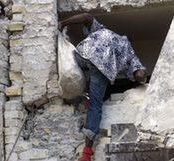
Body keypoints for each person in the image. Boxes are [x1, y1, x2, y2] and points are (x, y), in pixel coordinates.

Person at [58, 13, 147, 161]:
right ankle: (87, 153)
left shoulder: (104, 30)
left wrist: (62, 23)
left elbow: (87, 16)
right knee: (95, 105)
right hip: (101, 68)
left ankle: (83, 96)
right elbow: (139, 74)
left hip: (83, 54)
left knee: (76, 74)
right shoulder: (128, 50)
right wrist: (142, 79)